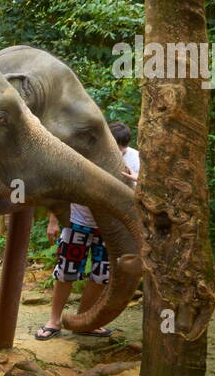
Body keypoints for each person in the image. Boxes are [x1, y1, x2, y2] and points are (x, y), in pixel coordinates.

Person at [35, 120, 139, 340]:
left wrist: (135, 180)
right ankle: (54, 321)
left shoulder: (135, 159)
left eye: (122, 150)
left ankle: (84, 320)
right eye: (114, 148)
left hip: (111, 229)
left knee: (101, 276)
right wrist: (54, 221)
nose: (118, 154)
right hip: (77, 223)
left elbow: (144, 192)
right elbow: (61, 189)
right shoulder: (84, 154)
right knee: (66, 272)